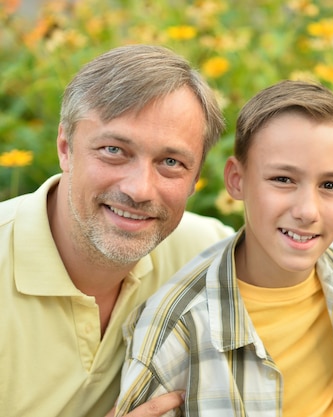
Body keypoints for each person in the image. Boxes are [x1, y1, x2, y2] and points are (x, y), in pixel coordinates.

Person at [0, 44, 235, 417]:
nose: (139, 189)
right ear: (66, 148)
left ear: (195, 179)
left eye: (171, 162)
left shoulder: (205, 253)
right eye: (113, 150)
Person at [114, 80, 333, 417]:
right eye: (283, 179)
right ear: (236, 180)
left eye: (329, 185)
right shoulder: (174, 333)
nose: (308, 211)